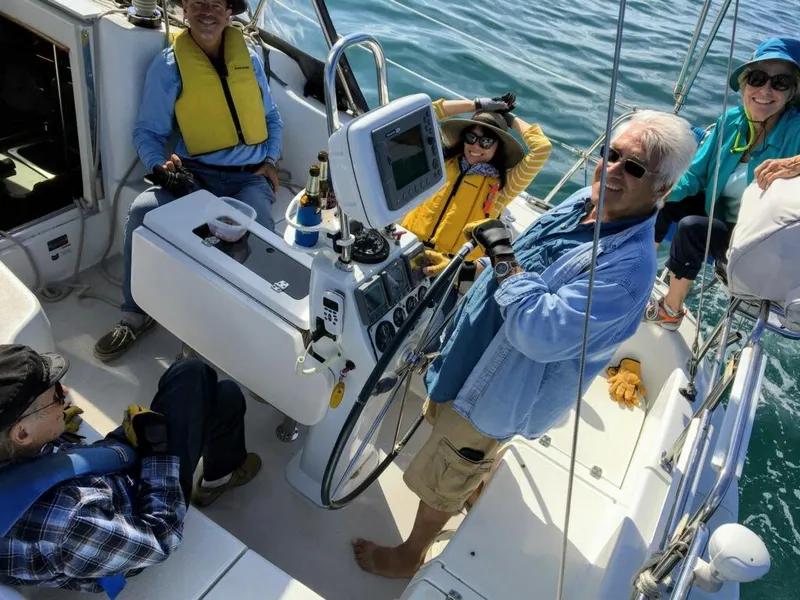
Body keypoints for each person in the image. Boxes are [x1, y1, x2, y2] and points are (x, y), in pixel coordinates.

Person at [352, 110, 698, 578]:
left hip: (498, 389)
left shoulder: (629, 271)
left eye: (633, 167)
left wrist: (502, 258)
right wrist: (486, 270)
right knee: (448, 430)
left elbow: (540, 333)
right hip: (472, 353)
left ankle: (408, 554)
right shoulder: (585, 199)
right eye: (611, 155)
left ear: (663, 189)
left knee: (446, 470)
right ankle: (475, 482)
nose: (612, 169)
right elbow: (536, 262)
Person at [94, 0, 284, 362]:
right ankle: (134, 313)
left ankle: (238, 330)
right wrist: (162, 167)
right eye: (198, 3)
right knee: (142, 212)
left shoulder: (251, 59)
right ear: (185, 11)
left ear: (230, 13)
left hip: (250, 179)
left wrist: (272, 160)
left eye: (217, 4)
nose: (207, 11)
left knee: (260, 236)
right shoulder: (168, 66)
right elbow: (146, 132)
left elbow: (273, 118)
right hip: (194, 175)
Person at [0, 344, 261, 593]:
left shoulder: (16, 445)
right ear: (22, 433)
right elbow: (162, 538)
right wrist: (158, 453)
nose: (65, 391)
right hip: (133, 516)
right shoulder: (67, 524)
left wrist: (51, 436)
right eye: (55, 396)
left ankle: (221, 471)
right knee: (192, 374)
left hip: (82, 479)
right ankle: (217, 480)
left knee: (223, 396)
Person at [647, 37, 800, 330]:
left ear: (792, 91)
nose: (765, 90)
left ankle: (670, 311)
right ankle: (633, 271)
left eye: (780, 82)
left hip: (759, 240)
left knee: (692, 228)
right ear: (744, 84)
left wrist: (795, 163)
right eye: (757, 78)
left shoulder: (796, 128)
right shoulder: (730, 121)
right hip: (720, 213)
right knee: (660, 202)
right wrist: (660, 192)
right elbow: (695, 175)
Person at [401, 94, 552, 282]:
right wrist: (475, 105)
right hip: (405, 248)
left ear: (499, 147)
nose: (475, 146)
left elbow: (542, 148)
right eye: (470, 137)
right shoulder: (439, 161)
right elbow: (422, 115)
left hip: (448, 271)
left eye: (486, 141)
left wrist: (509, 119)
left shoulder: (504, 185)